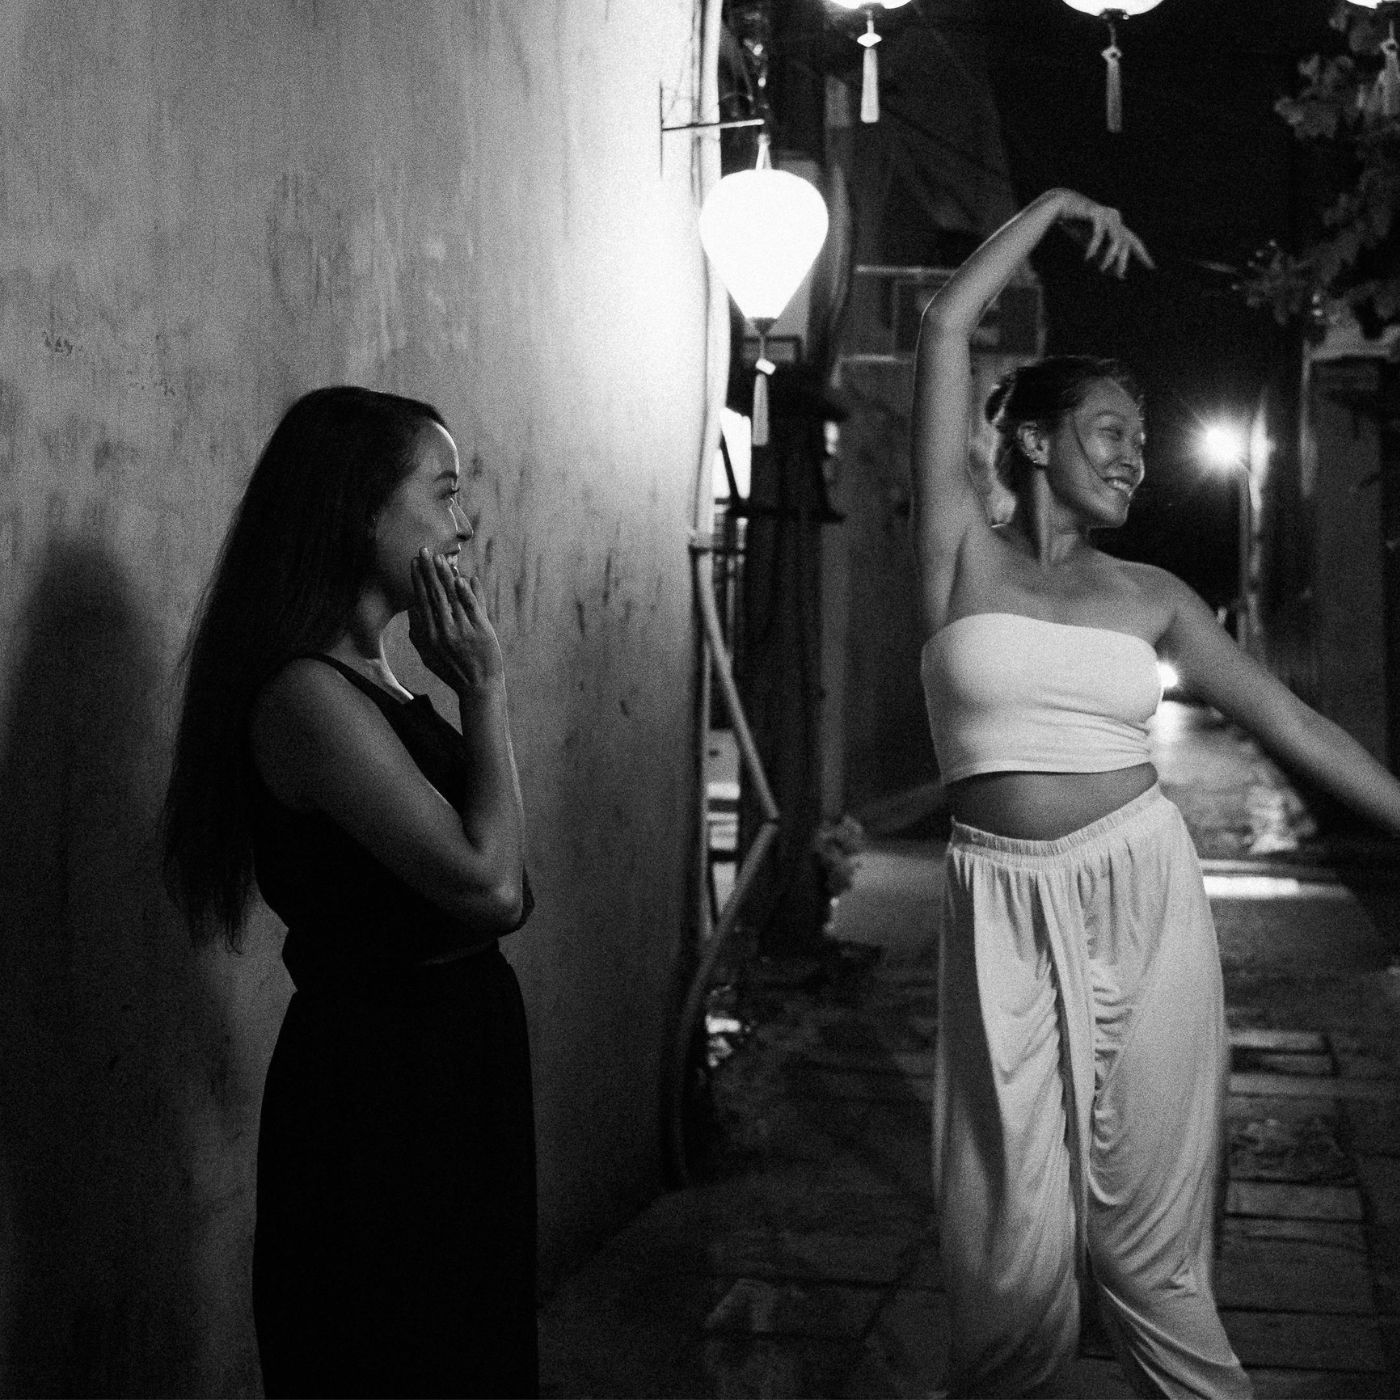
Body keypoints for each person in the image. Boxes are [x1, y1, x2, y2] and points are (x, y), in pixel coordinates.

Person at [911, 188, 1400, 1398]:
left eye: (1140, 437)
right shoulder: (958, 552)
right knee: (1006, 1262)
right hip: (996, 908)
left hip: (1140, 890)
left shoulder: (1155, 595)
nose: (1134, 453)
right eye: (1108, 430)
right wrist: (1054, 207)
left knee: (1145, 1242)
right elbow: (943, 324)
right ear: (1032, 440)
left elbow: (1292, 721)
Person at [162, 386, 536, 1398]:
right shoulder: (306, 697)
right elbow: (492, 886)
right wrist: (486, 690)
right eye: (443, 492)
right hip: (383, 1090)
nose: (463, 522)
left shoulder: (379, 681)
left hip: (450, 1064)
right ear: (362, 510)